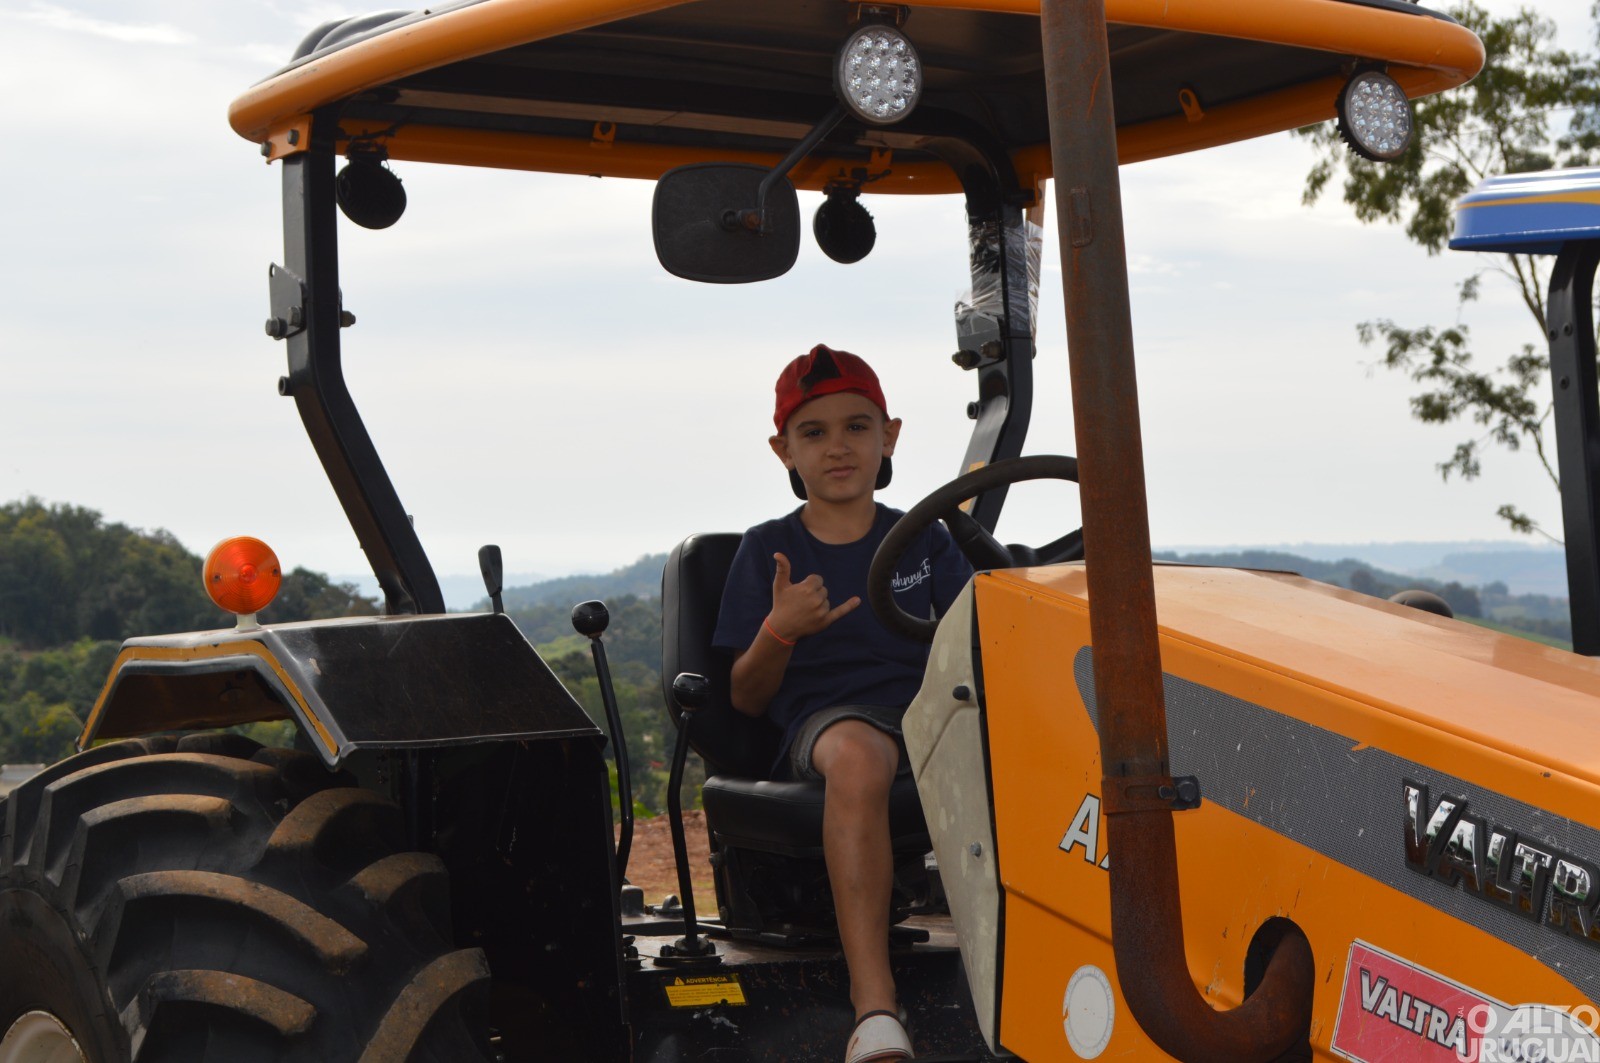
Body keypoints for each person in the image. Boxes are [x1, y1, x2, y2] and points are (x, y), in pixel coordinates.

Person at [712, 344, 972, 1063]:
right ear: (783, 449)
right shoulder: (768, 552)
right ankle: (876, 1007)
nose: (838, 447)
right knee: (857, 755)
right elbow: (745, 693)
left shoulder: (925, 538)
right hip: (826, 724)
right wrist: (779, 628)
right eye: (814, 432)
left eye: (857, 427)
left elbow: (980, 643)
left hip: (934, 715)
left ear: (889, 435)